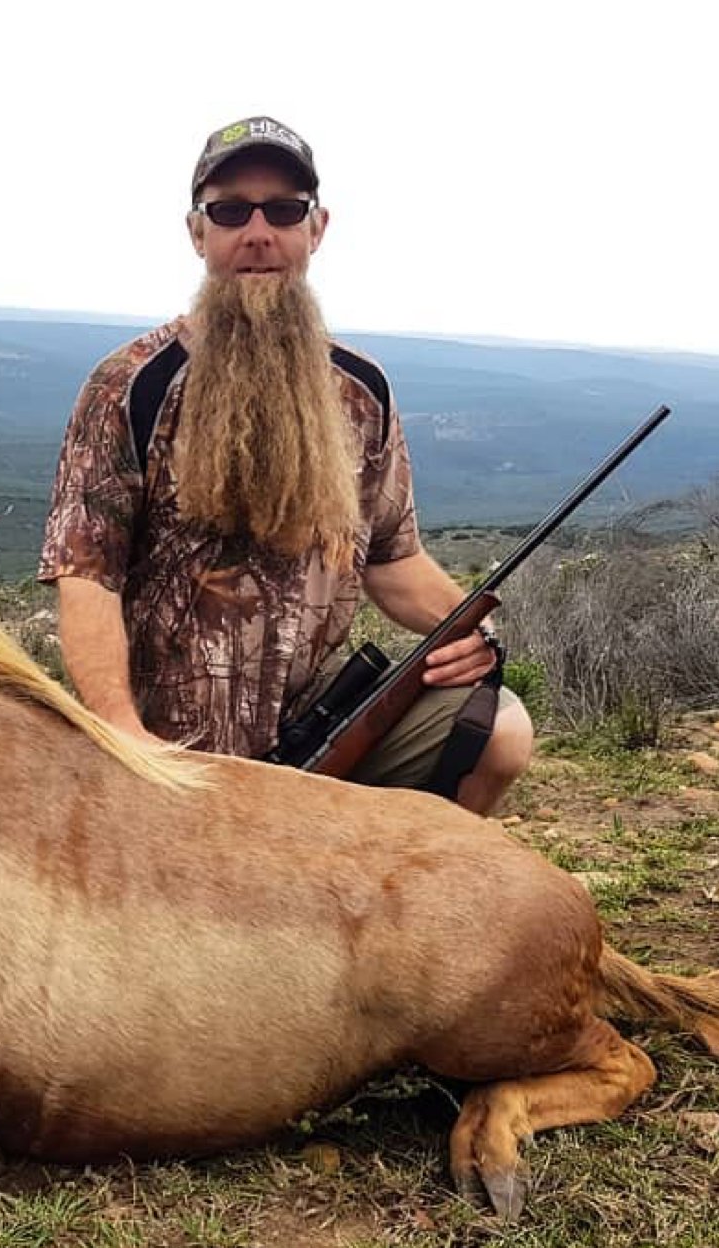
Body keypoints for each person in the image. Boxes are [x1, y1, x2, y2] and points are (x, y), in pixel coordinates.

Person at [39, 115, 532, 813]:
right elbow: (86, 576)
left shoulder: (363, 393)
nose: (259, 232)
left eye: (284, 210)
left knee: (500, 730)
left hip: (317, 724)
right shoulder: (129, 386)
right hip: (170, 746)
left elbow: (392, 560)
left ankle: (399, 910)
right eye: (231, 211)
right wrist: (124, 733)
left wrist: (470, 633)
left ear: (317, 228)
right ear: (197, 232)